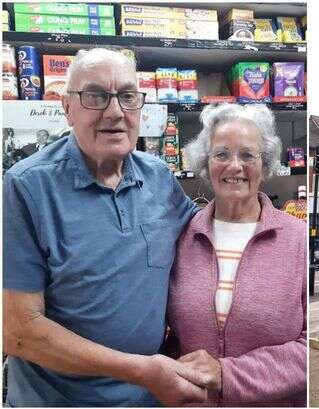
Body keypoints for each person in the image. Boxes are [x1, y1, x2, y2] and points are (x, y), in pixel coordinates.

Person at [2, 48, 207, 406]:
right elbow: (18, 332)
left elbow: (206, 237)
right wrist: (142, 370)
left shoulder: (158, 177)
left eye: (127, 96)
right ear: (67, 108)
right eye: (95, 96)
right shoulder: (26, 187)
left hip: (149, 398)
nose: (115, 112)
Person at [167, 103, 307, 406]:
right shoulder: (181, 237)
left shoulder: (297, 239)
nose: (234, 166)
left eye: (247, 155)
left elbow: (314, 349)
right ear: (206, 163)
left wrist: (226, 374)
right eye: (221, 154)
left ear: (265, 164)